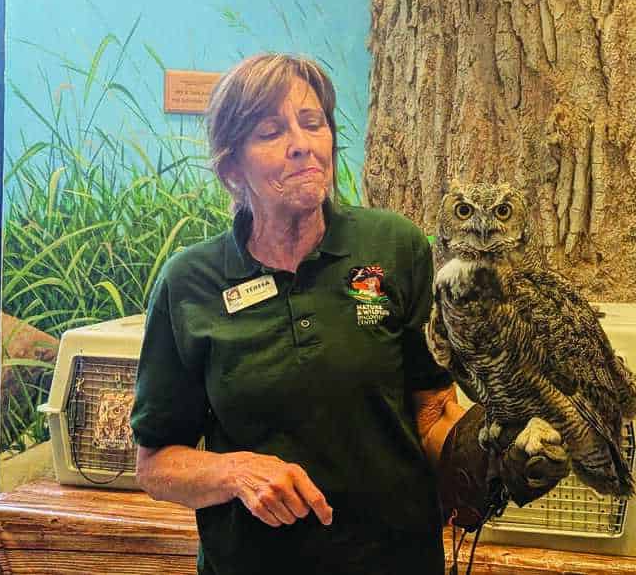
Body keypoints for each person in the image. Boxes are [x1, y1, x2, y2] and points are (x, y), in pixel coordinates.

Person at [131, 53, 568, 575]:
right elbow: (156, 463)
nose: (301, 144)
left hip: (394, 560)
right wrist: (235, 472)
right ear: (232, 168)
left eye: (313, 123)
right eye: (271, 132)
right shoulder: (191, 284)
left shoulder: (394, 247)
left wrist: (492, 452)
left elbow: (431, 410)